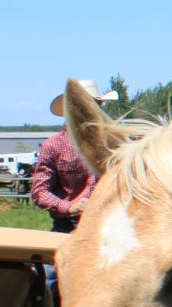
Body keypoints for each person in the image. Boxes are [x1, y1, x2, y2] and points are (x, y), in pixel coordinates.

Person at [32, 80, 119, 233]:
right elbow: (40, 192)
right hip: (69, 224)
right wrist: (70, 207)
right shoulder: (53, 146)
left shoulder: (114, 144)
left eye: (93, 106)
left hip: (110, 223)